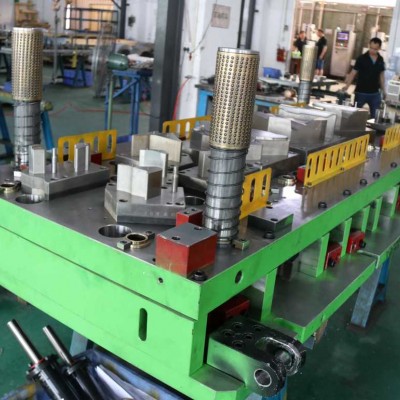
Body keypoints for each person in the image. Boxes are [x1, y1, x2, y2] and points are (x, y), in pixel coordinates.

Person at [343, 37, 386, 118]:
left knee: (376, 117)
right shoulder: (361, 59)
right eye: (371, 48)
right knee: (355, 116)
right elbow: (353, 73)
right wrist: (347, 86)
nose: (372, 50)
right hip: (361, 93)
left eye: (375, 49)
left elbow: (381, 76)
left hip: (375, 93)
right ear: (369, 45)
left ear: (379, 48)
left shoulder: (380, 59)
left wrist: (384, 90)